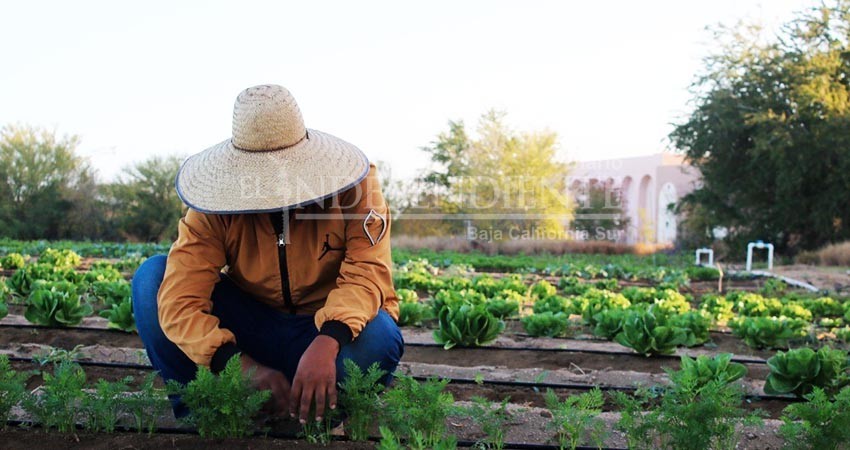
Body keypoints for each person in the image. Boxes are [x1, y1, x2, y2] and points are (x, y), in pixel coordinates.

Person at [131, 84, 403, 424]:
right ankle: (206, 415)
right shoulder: (214, 205)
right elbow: (180, 300)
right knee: (151, 281)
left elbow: (368, 272)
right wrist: (234, 364)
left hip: (325, 331)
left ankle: (321, 413)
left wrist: (328, 341)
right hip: (253, 329)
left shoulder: (355, 186)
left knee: (378, 336)